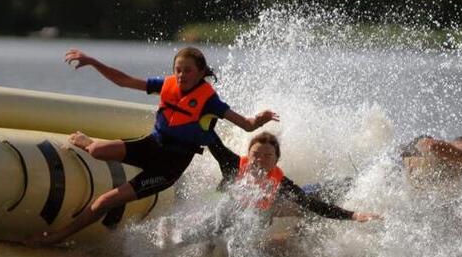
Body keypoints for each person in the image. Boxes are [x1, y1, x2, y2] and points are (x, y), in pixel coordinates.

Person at [23, 47, 278, 246]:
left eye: (188, 70)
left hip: (168, 168)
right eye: (178, 69)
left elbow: (245, 124)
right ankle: (90, 142)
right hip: (151, 145)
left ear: (201, 72)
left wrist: (260, 119)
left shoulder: (210, 101)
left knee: (104, 202)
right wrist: (93, 62)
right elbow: (125, 81)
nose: (181, 75)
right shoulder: (166, 85)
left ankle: (57, 236)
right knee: (96, 151)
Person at [160, 132, 379, 248]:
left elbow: (312, 204)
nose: (261, 161)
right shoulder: (233, 165)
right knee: (210, 224)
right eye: (256, 155)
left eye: (268, 156)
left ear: (276, 161)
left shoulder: (280, 182)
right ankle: (177, 238)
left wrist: (352, 215)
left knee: (238, 238)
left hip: (253, 222)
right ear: (248, 154)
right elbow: (211, 139)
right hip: (224, 216)